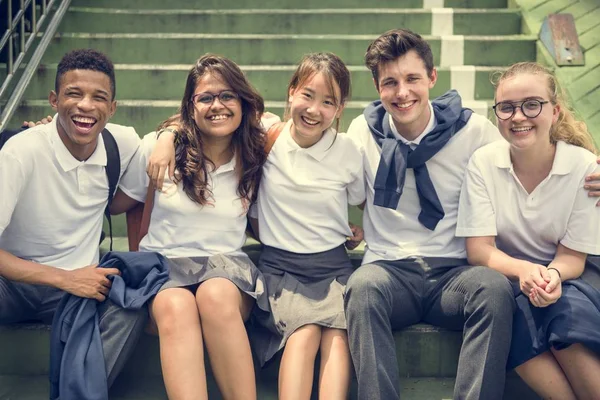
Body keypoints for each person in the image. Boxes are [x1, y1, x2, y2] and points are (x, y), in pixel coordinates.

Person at [342, 29, 517, 400]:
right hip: (389, 270)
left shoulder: (473, 131)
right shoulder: (363, 131)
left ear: (432, 78)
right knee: (361, 288)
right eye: (390, 82)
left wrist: (584, 160)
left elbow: (525, 159)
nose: (402, 92)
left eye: (412, 79)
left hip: (454, 272)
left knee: (494, 288)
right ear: (377, 87)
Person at [110, 53, 269, 400]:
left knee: (215, 295)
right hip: (164, 268)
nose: (218, 105)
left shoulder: (255, 152)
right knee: (175, 306)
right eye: (206, 97)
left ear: (242, 101)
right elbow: (118, 201)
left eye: (227, 95)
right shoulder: (158, 148)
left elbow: (285, 123)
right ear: (190, 105)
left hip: (226, 267)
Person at [0, 49, 144, 388]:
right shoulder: (20, 153)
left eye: (99, 97)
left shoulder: (124, 143)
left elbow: (132, 196)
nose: (85, 105)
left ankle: (77, 392)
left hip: (79, 286)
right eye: (73, 94)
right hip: (11, 283)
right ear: (54, 100)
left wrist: (167, 138)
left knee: (134, 301)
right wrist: (63, 278)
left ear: (112, 108)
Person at [456, 61, 600, 400]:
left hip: (569, 277)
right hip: (508, 276)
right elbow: (479, 250)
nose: (518, 116)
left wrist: (550, 276)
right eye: (506, 108)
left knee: (564, 313)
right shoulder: (484, 163)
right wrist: (526, 272)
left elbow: (572, 258)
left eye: (531, 104)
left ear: (555, 111)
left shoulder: (583, 168)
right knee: (510, 315)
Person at [247, 52, 364, 400]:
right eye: (308, 95)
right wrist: (166, 138)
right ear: (291, 93)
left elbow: (365, 201)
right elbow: (186, 118)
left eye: (328, 102)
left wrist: (360, 230)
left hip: (332, 268)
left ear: (340, 109)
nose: (314, 110)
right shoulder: (266, 138)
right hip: (281, 271)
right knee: (306, 330)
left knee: (338, 337)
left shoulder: (348, 151)